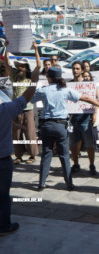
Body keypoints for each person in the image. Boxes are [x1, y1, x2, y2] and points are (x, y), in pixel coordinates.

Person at [30, 67, 99, 191]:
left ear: (48, 77)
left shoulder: (44, 90)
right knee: (64, 156)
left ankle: (41, 183)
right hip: (60, 126)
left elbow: (29, 99)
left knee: (46, 154)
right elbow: (86, 98)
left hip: (46, 125)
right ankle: (69, 183)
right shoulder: (66, 90)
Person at [0, 68, 39, 236]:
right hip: (2, 160)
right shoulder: (5, 109)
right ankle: (3, 226)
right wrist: (34, 81)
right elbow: (24, 99)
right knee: (2, 195)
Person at [4, 40, 40, 164]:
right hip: (15, 109)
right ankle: (18, 155)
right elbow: (6, 62)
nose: (19, 67)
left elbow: (39, 66)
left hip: (28, 108)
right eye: (18, 65)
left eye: (22, 66)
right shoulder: (14, 77)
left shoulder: (31, 79)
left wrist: (36, 50)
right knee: (16, 133)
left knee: (30, 132)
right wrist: (7, 48)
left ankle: (32, 155)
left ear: (26, 68)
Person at [69, 62, 98, 175]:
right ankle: (76, 164)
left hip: (86, 118)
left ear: (82, 70)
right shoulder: (69, 84)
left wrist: (94, 113)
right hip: (72, 119)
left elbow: (94, 99)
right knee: (73, 144)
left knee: (89, 144)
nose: (75, 71)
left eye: (77, 69)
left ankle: (92, 164)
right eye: (73, 69)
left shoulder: (88, 84)